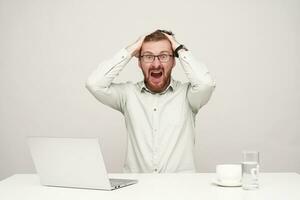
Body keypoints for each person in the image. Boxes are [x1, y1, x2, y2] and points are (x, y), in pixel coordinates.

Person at [86, 30, 216, 173]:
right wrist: (132, 48)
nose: (156, 64)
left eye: (164, 56)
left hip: (180, 190)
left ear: (174, 61)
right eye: (148, 57)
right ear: (139, 62)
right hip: (137, 191)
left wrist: (178, 47)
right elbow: (94, 84)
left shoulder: (188, 96)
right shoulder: (128, 95)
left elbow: (206, 84)